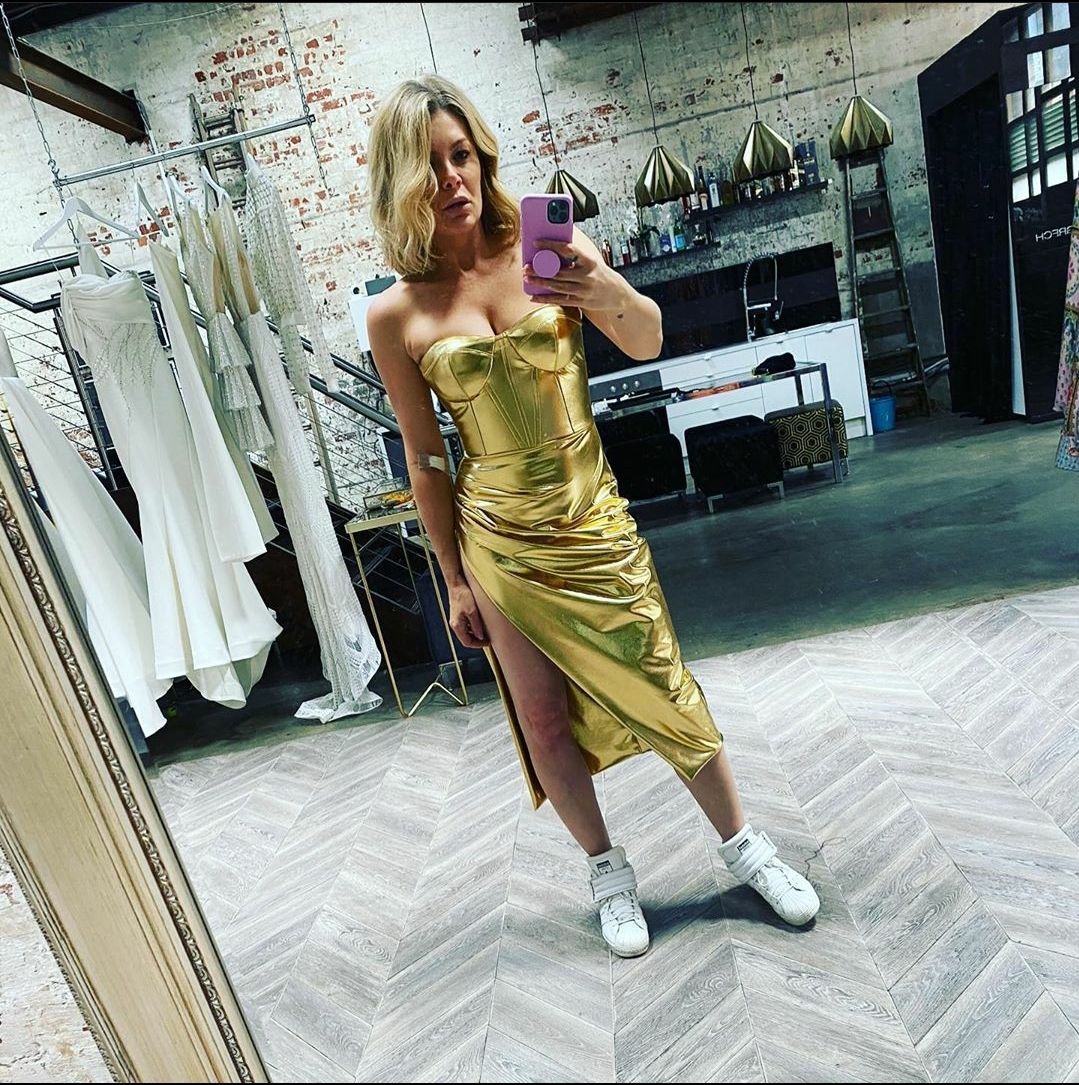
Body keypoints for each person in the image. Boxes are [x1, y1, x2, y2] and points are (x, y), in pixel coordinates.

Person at [366, 75, 819, 957]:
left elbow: (645, 337)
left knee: (662, 680)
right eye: (428, 165)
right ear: (399, 181)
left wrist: (600, 283)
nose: (451, 178)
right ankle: (607, 871)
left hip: (590, 514)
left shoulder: (548, 243)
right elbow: (425, 459)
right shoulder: (395, 312)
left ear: (482, 156)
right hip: (496, 536)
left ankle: (743, 846)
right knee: (541, 719)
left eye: (461, 155)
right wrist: (452, 575)